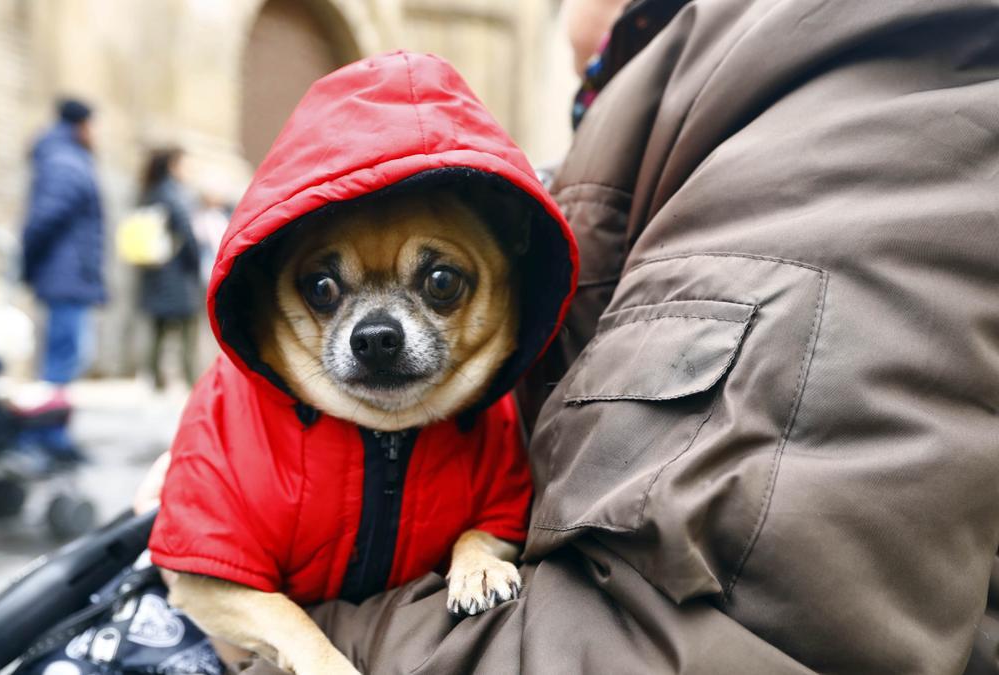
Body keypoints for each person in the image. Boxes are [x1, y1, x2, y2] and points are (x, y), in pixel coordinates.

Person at [139, 0, 999, 672]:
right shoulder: (656, 100)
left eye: (439, 283)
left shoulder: (858, 111)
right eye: (325, 292)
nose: (372, 331)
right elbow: (200, 560)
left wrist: (307, 647)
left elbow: (726, 629)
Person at [21, 98, 106, 392]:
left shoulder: (64, 158)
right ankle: (49, 429)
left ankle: (52, 425)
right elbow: (44, 220)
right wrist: (29, 264)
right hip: (66, 274)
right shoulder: (66, 162)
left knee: (66, 355)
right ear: (81, 125)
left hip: (66, 273)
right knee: (63, 356)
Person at [135, 146, 204, 390]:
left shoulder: (149, 191)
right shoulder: (176, 195)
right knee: (188, 331)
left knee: (159, 329)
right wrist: (197, 263)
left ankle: (156, 380)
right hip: (178, 274)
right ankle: (192, 380)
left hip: (155, 271)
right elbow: (188, 232)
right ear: (173, 166)